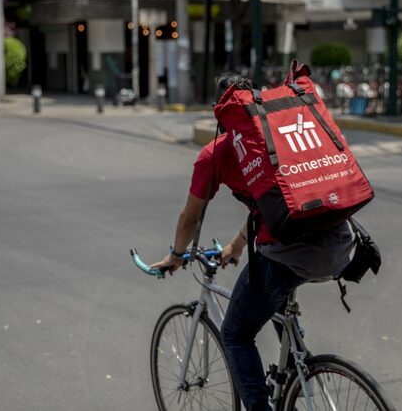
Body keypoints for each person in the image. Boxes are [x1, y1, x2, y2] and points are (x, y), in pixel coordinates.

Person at [151, 74, 356, 411]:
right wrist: (236, 245)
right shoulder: (281, 135)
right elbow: (271, 206)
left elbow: (190, 218)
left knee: (235, 334)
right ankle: (297, 372)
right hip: (340, 242)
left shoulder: (215, 154)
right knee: (274, 299)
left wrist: (176, 255)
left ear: (222, 112)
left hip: (289, 256)